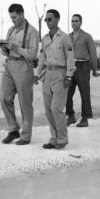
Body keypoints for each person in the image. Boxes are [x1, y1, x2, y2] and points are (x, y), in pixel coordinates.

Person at [0, 4, 40, 145]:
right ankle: (13, 129)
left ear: (22, 14)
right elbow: (7, 51)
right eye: (11, 17)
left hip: (24, 66)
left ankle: (26, 136)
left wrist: (15, 47)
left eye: (15, 17)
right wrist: (3, 47)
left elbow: (32, 55)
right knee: (4, 98)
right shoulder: (10, 30)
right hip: (10, 65)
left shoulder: (32, 32)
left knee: (25, 102)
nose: (12, 20)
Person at [36, 9, 76, 149]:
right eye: (46, 19)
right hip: (47, 75)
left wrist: (69, 76)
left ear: (57, 19)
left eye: (50, 19)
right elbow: (42, 57)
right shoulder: (45, 38)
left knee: (56, 108)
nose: (47, 22)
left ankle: (62, 139)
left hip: (60, 75)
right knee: (48, 110)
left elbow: (70, 58)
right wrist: (37, 73)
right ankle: (54, 138)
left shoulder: (64, 37)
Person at [66, 14, 98, 127]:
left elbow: (93, 53)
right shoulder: (67, 37)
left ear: (81, 22)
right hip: (70, 66)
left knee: (84, 93)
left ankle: (85, 118)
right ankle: (70, 116)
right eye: (72, 21)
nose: (74, 23)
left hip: (83, 66)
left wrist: (94, 69)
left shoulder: (87, 36)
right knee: (67, 92)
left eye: (76, 21)